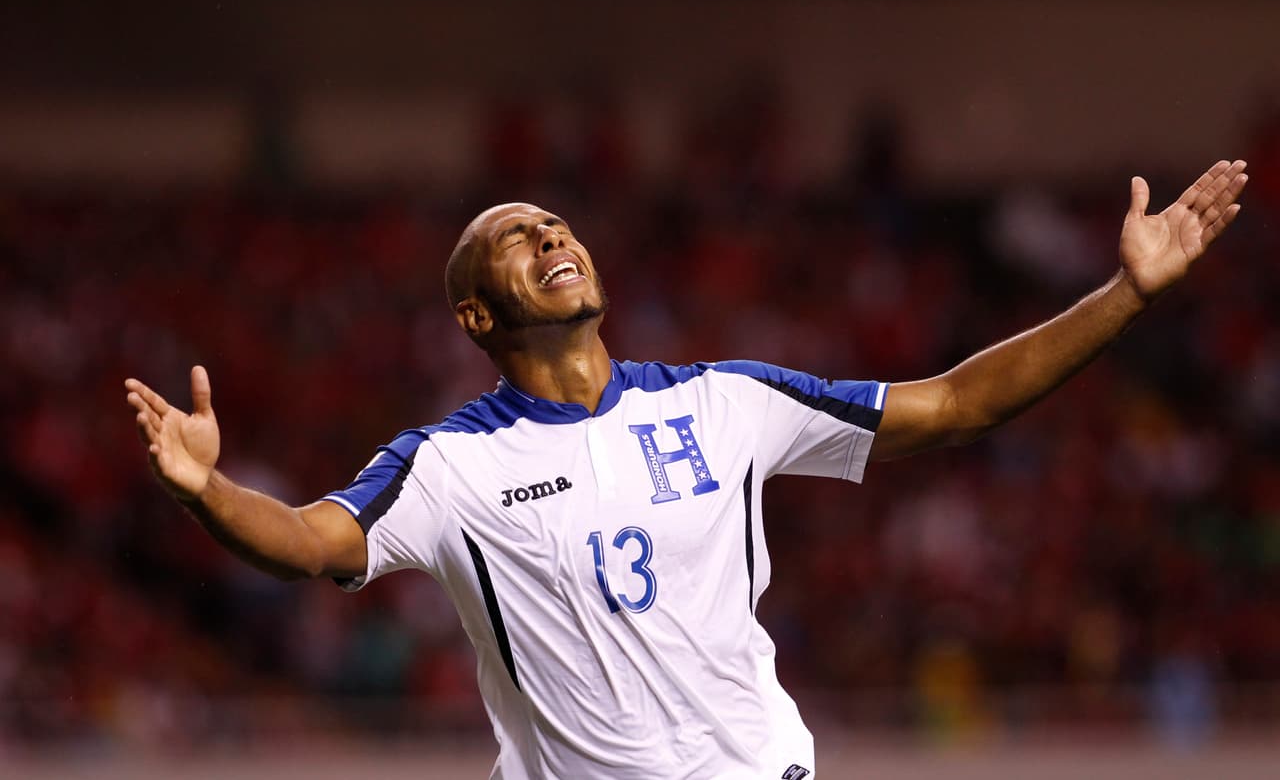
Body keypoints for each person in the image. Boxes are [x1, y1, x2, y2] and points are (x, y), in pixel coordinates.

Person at [125, 159, 1248, 779]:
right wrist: (206, 494)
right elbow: (316, 540)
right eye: (516, 237)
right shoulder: (450, 467)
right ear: (474, 308)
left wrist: (1127, 296)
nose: (551, 236)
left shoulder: (726, 401)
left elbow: (956, 402)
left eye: (557, 221)